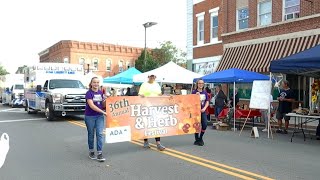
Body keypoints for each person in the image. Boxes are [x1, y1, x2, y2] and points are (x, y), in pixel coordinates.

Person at [138, 74, 166, 151]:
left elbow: (159, 94)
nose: (152, 78)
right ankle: (146, 141)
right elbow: (140, 94)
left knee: (156, 124)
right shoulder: (144, 84)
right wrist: (142, 95)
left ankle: (158, 143)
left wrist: (161, 95)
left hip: (155, 106)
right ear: (148, 77)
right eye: (151, 76)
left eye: (154, 77)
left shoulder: (157, 84)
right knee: (146, 124)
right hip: (146, 106)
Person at [84, 77, 107, 162]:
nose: (96, 84)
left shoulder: (101, 93)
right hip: (90, 116)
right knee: (91, 134)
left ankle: (100, 153)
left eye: (97, 82)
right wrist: (103, 112)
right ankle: (91, 151)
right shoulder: (88, 93)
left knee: (100, 134)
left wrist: (107, 100)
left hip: (99, 116)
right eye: (94, 82)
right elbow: (92, 106)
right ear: (91, 83)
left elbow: (103, 105)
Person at [192, 79, 209, 146]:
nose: (201, 84)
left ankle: (200, 137)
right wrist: (196, 96)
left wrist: (204, 108)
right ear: (197, 84)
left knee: (204, 124)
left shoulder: (205, 92)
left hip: (203, 111)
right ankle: (197, 139)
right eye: (199, 83)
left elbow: (207, 101)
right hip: (196, 112)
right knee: (196, 126)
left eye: (202, 83)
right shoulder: (194, 92)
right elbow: (191, 102)